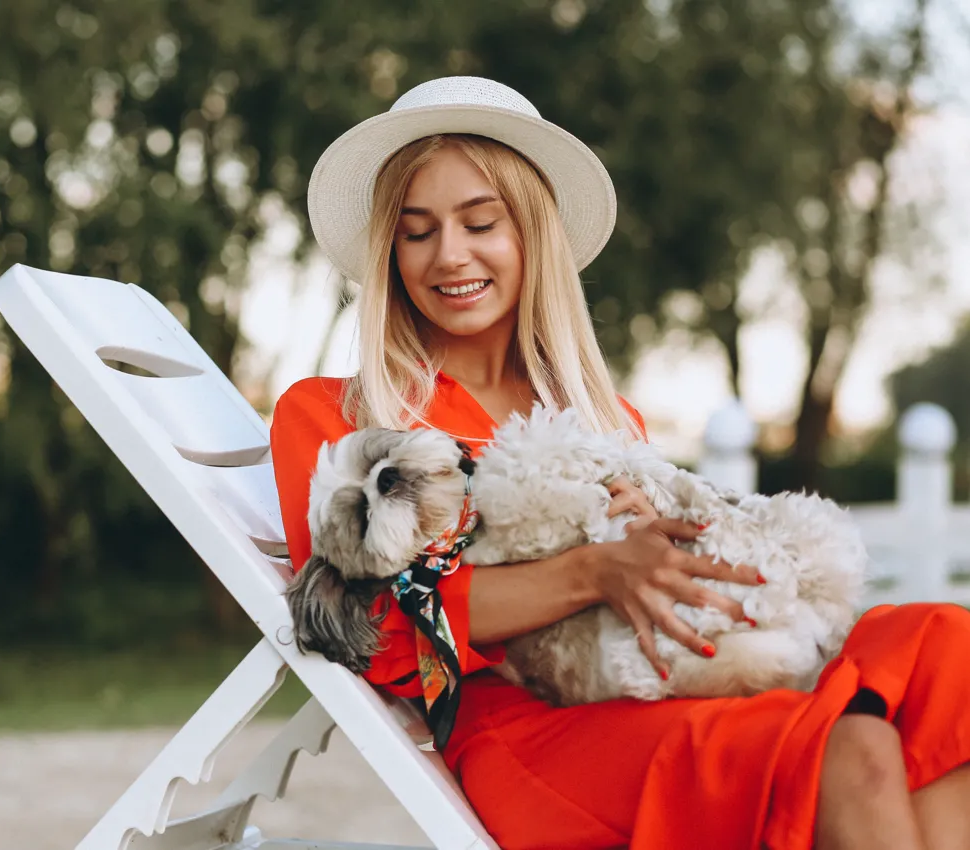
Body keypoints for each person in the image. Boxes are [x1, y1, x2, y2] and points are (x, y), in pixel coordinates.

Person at [269, 76, 970, 850]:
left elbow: (674, 565)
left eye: (480, 223)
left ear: (532, 233)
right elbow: (375, 632)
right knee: (856, 745)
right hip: (529, 730)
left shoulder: (604, 418)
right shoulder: (342, 420)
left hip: (665, 671)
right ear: (389, 249)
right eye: (417, 231)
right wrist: (594, 571)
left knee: (948, 647)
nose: (450, 256)